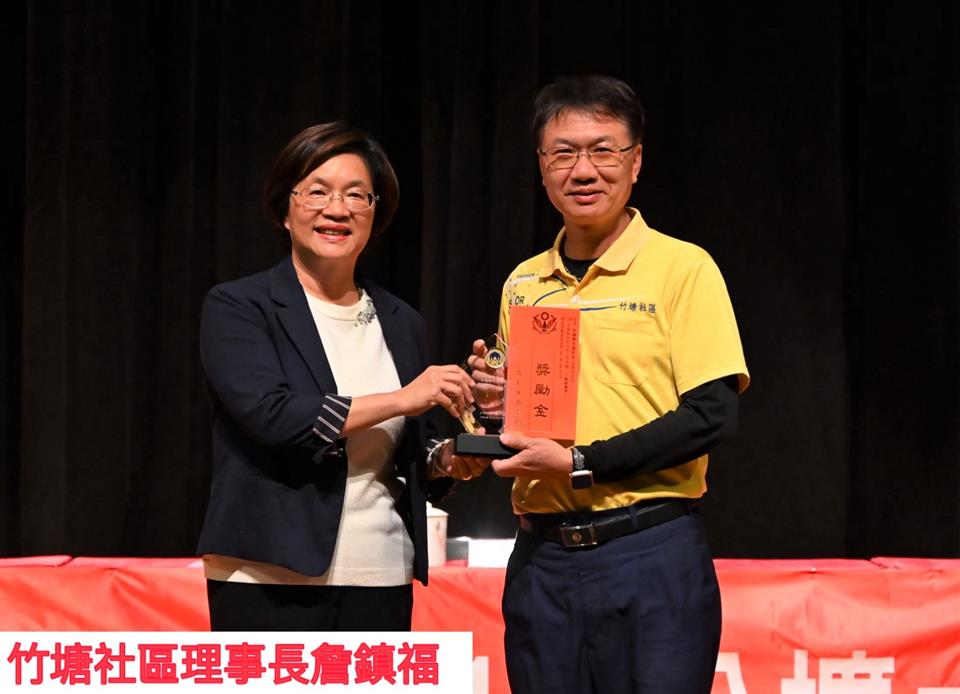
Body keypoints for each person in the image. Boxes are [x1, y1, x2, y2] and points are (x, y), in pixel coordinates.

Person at [466, 75, 750, 693]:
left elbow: (712, 414)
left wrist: (581, 463)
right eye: (563, 153)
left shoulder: (683, 268)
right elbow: (523, 419)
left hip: (649, 551)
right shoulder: (523, 283)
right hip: (541, 561)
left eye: (603, 150)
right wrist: (490, 409)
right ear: (541, 167)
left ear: (636, 161)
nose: (583, 170)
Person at [196, 122, 476, 631]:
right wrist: (401, 398)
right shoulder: (240, 306)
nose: (337, 209)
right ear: (285, 210)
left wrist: (448, 461)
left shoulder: (403, 322)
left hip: (381, 573)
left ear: (375, 213)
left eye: (356, 195)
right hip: (266, 574)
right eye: (318, 192)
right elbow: (274, 417)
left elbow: (413, 448)